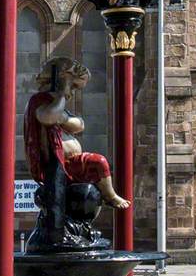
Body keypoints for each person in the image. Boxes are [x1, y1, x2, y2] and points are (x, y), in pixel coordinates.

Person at [24, 55, 129, 210]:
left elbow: (79, 125)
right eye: (71, 86)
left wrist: (63, 118)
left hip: (69, 163)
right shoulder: (40, 101)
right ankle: (110, 195)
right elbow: (48, 117)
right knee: (98, 162)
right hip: (58, 166)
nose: (72, 92)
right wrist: (61, 94)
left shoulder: (58, 107)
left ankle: (108, 194)